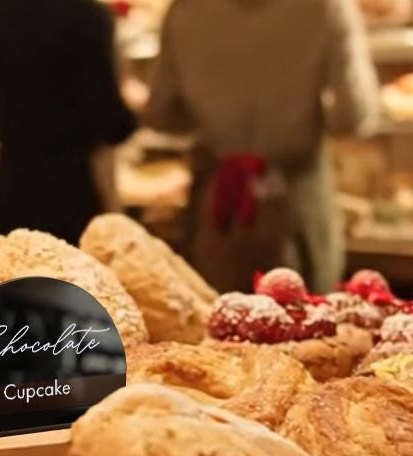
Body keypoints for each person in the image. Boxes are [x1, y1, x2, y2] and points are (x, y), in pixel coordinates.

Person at [146, 0, 379, 293]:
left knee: (218, 320)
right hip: (297, 203)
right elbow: (353, 115)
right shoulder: (325, 6)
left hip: (217, 204)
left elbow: (161, 115)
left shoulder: (185, 9)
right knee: (305, 319)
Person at [0, 0, 137, 244]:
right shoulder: (89, 15)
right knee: (71, 278)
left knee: (9, 276)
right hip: (73, 192)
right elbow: (113, 122)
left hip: (12, 189)